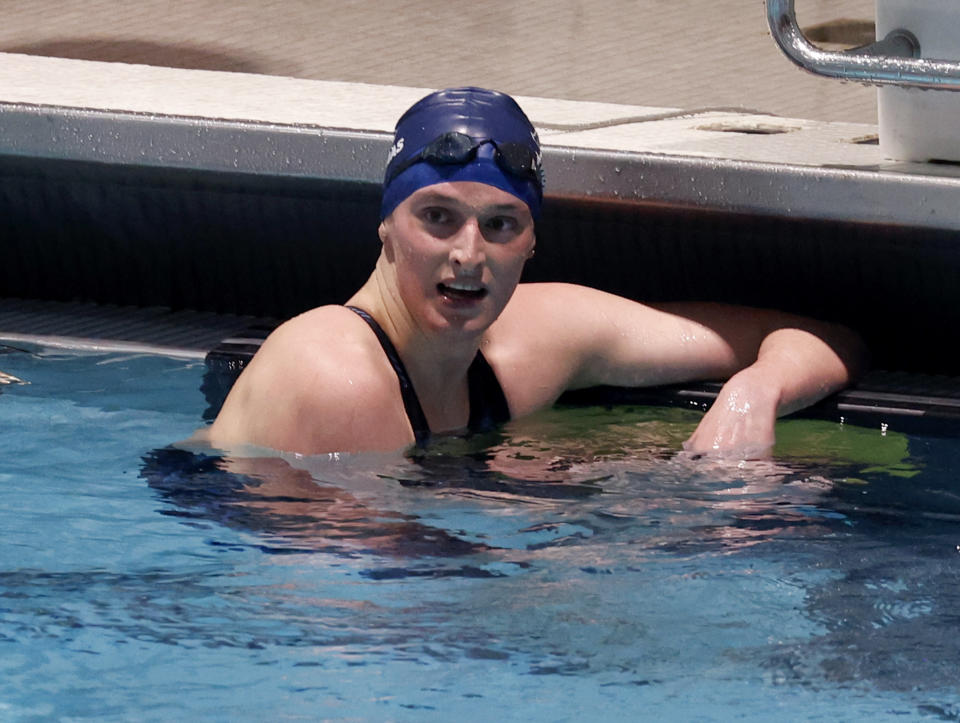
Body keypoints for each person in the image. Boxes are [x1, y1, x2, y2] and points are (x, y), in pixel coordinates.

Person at [208, 87, 864, 457]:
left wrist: (754, 397)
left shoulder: (539, 337)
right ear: (385, 230)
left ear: (529, 244)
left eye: (501, 224)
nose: (469, 253)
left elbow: (825, 340)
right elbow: (377, 626)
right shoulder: (334, 377)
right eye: (438, 217)